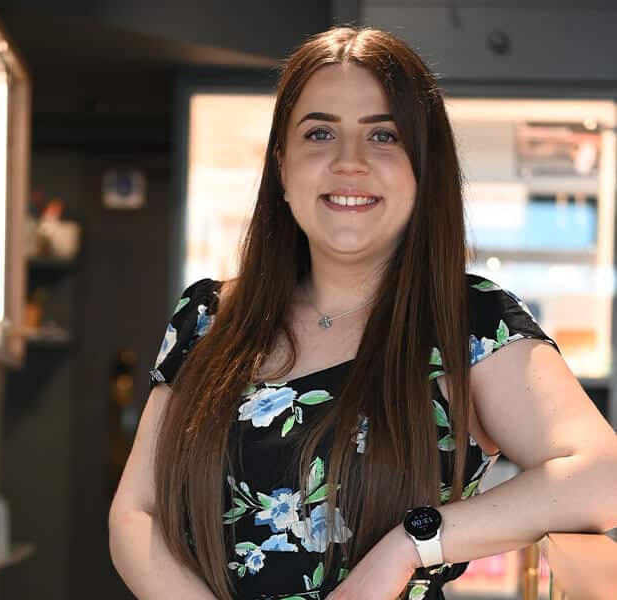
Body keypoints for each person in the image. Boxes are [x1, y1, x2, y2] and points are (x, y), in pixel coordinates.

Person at [109, 26, 617, 600]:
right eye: (320, 133)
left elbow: (602, 477)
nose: (350, 162)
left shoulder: (469, 321)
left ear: (424, 169)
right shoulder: (206, 316)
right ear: (281, 167)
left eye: (383, 136)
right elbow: (137, 513)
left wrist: (411, 544)